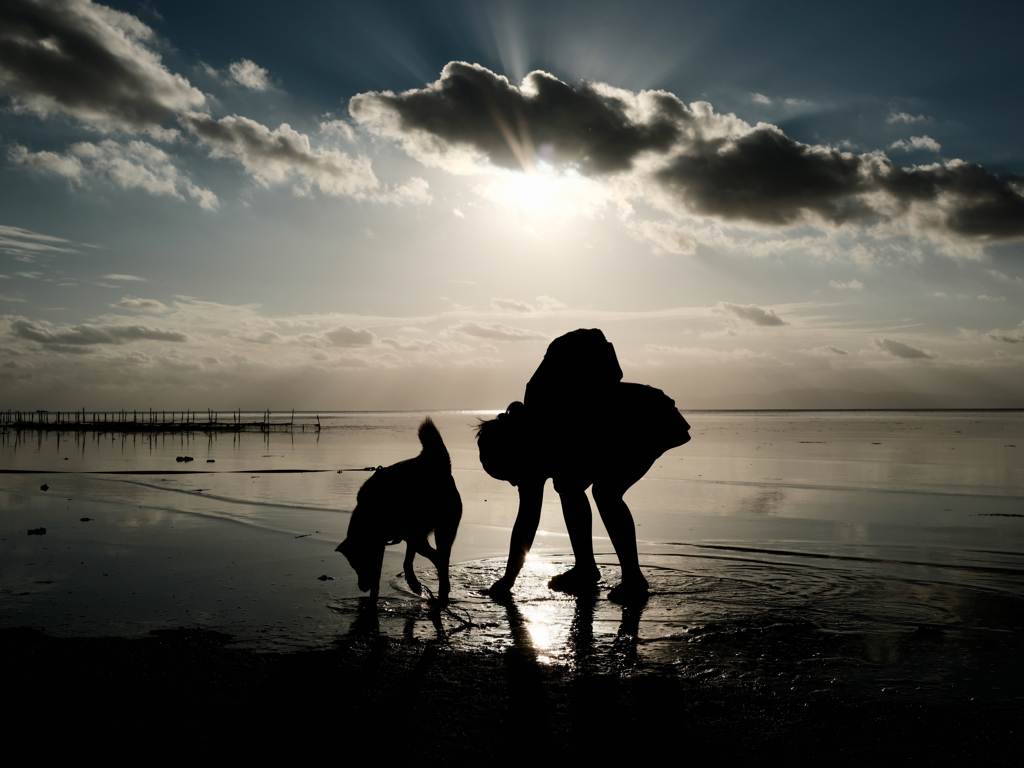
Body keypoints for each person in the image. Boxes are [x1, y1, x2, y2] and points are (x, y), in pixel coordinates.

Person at [476, 329, 690, 603]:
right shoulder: (535, 447)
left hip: (647, 417)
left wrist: (508, 580)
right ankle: (586, 568)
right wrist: (509, 579)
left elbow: (593, 343)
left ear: (514, 454)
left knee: (605, 492)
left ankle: (633, 579)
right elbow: (526, 522)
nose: (514, 483)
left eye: (509, 476)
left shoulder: (541, 409)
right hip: (620, 425)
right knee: (569, 486)